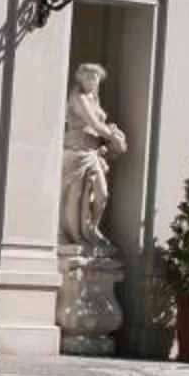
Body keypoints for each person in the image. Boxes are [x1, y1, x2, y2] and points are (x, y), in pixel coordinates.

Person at [59, 62, 127, 249]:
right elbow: (93, 124)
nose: (91, 80)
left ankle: (92, 227)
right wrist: (114, 138)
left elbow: (98, 127)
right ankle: (75, 236)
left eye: (94, 76)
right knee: (76, 196)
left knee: (102, 194)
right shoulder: (78, 98)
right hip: (78, 151)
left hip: (93, 152)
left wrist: (110, 136)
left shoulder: (94, 99)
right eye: (87, 76)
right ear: (80, 79)